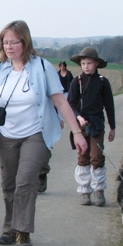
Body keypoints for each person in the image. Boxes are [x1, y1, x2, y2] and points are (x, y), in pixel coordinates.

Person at [0, 20, 87, 246]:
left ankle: (23, 232)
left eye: (13, 42)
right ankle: (9, 227)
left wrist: (77, 132)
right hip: (6, 135)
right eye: (5, 42)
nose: (8, 47)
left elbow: (60, 101)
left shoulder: (42, 67)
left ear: (25, 42)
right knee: (9, 183)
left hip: (35, 134)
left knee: (26, 180)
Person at [67, 46, 116, 207]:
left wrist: (112, 127)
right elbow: (71, 104)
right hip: (80, 125)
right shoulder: (76, 81)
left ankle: (99, 190)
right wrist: (78, 117)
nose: (86, 66)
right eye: (83, 63)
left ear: (96, 63)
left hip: (96, 125)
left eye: (89, 63)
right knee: (83, 157)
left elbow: (109, 106)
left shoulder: (103, 82)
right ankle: (84, 191)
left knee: (97, 157)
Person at [38, 61, 74, 193]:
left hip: (46, 120)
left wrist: (59, 119)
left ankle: (42, 175)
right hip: (22, 125)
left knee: (44, 150)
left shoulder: (47, 74)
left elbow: (58, 102)